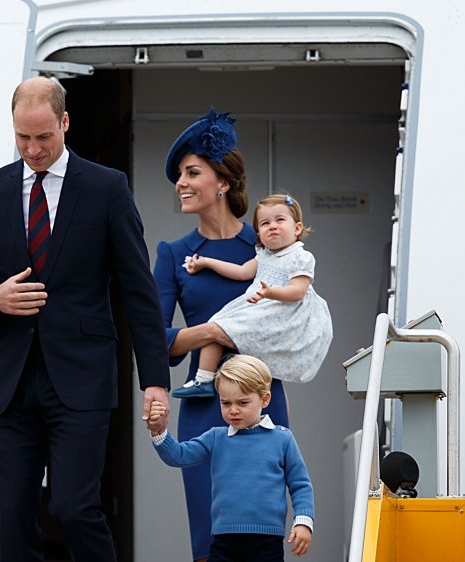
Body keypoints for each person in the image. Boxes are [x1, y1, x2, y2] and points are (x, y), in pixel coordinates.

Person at [0, 76, 170, 562]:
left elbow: (137, 289)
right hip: (11, 381)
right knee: (14, 514)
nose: (33, 148)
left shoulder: (107, 187)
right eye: (23, 137)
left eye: (44, 137)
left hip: (81, 378)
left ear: (65, 123)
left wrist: (155, 379)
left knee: (73, 507)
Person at [152, 107, 291, 561]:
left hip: (264, 400)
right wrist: (215, 331)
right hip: (203, 407)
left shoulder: (267, 245)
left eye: (193, 172)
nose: (181, 183)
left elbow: (294, 320)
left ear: (223, 183)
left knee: (263, 530)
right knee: (211, 538)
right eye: (179, 175)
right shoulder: (174, 253)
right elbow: (156, 340)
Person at [146, 354, 314, 561]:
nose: (233, 410)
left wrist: (303, 522)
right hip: (223, 541)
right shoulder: (216, 437)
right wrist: (159, 430)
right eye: (226, 403)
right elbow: (179, 456)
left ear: (265, 399)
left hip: (267, 542)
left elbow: (301, 486)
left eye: (243, 402)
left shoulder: (283, 439)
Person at [173, 192, 333, 398]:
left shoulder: (300, 257)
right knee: (218, 324)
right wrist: (207, 262)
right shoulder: (264, 256)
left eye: (280, 220)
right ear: (259, 234)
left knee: (219, 329)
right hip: (259, 307)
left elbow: (297, 291)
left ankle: (221, 381)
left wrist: (270, 292)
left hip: (282, 314)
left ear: (297, 228)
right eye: (265, 223)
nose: (272, 226)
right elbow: (241, 272)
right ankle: (203, 379)